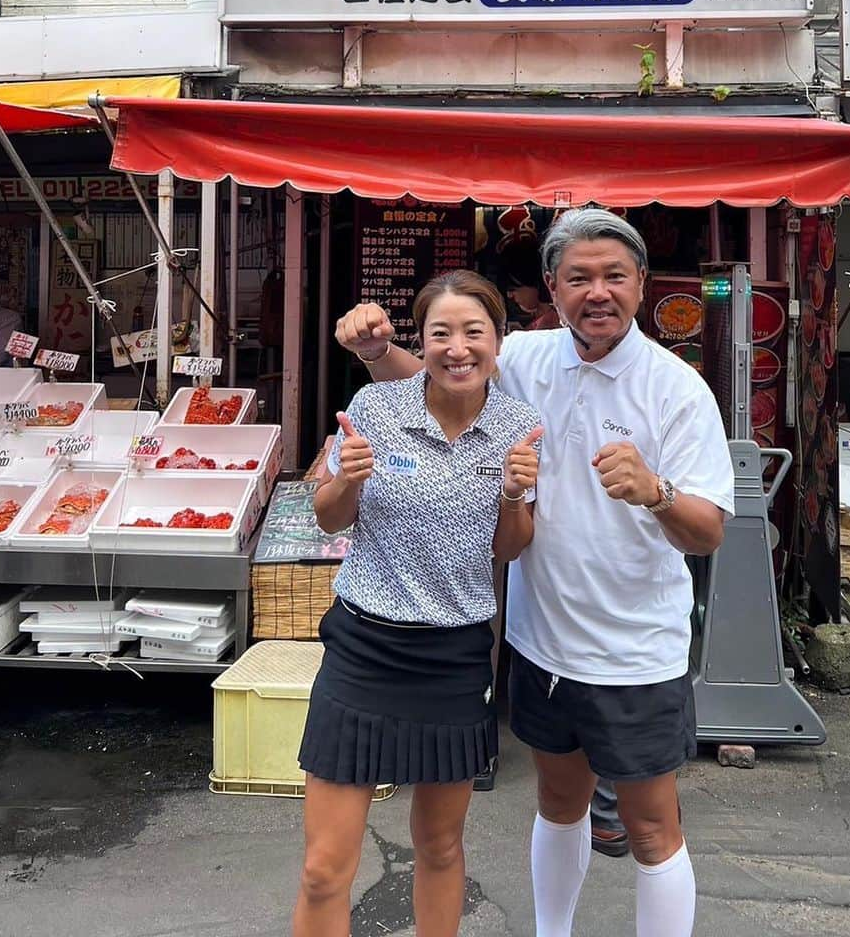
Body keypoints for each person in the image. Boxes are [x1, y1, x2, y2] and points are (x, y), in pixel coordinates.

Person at [336, 207, 735, 937]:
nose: (598, 291)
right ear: (552, 287)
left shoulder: (676, 389)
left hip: (634, 650)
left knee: (650, 830)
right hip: (541, 640)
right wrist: (374, 351)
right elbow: (438, 374)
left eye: (615, 275)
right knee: (558, 804)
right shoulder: (526, 357)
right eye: (579, 277)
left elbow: (709, 532)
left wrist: (658, 492)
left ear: (641, 284)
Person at [293, 270, 543, 937]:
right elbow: (327, 519)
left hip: (455, 656)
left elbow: (511, 548)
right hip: (363, 649)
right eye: (441, 333)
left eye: (473, 332)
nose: (457, 348)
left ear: (499, 341)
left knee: (439, 848)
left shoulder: (517, 426)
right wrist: (347, 478)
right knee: (323, 868)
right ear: (421, 342)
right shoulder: (376, 409)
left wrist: (516, 498)